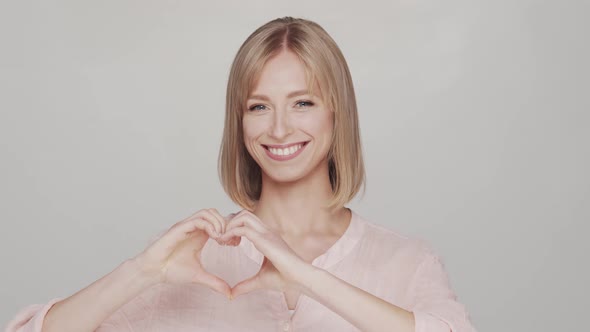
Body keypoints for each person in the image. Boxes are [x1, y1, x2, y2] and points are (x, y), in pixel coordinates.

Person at [5, 17, 476, 332]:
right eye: (258, 107)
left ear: (338, 113)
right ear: (240, 121)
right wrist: (140, 273)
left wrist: (306, 277)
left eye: (303, 103)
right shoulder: (193, 260)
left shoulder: (405, 262)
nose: (279, 128)